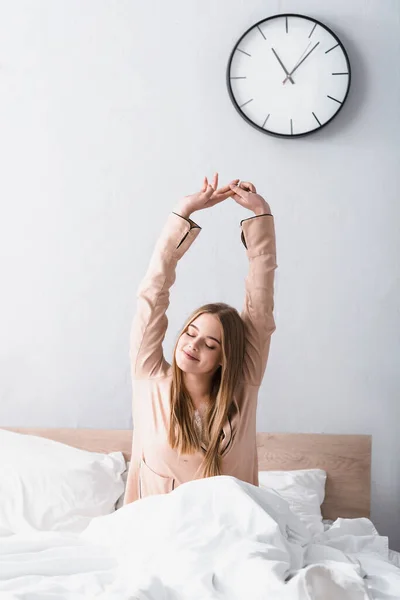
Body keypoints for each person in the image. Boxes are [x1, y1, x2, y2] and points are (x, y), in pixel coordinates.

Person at [124, 173, 277, 504]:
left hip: (230, 534)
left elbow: (260, 308)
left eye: (210, 344)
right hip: (155, 534)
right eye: (190, 333)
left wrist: (261, 217)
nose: (193, 345)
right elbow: (153, 293)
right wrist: (183, 212)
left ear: (225, 357)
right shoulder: (149, 376)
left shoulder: (242, 387)